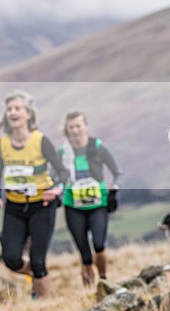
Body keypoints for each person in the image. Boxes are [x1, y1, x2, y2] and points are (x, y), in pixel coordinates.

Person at [0, 90, 69, 299]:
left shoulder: (40, 141)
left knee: (38, 260)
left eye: (17, 108)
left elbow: (63, 172)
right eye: (9, 108)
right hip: (15, 206)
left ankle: (44, 305)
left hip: (41, 206)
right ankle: (38, 277)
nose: (13, 112)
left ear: (28, 114)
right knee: (11, 258)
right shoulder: (3, 143)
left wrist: (57, 188)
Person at [59, 110, 123, 287]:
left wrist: (113, 191)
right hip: (74, 206)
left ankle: (103, 280)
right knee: (85, 255)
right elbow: (54, 176)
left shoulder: (98, 146)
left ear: (85, 126)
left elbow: (117, 172)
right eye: (71, 127)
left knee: (99, 244)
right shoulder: (63, 151)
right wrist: (56, 191)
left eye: (78, 126)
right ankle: (88, 292)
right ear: (67, 129)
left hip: (98, 204)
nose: (75, 130)